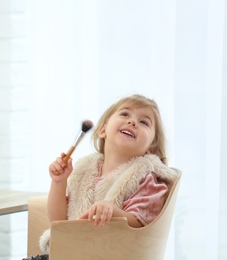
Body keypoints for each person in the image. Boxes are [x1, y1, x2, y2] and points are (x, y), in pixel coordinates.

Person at [23, 94, 179, 260]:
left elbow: (141, 224)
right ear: (103, 130)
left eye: (144, 122)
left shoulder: (147, 178)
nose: (132, 122)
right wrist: (59, 182)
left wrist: (113, 211)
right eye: (125, 114)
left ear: (151, 149)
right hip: (71, 253)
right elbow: (59, 221)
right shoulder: (85, 171)